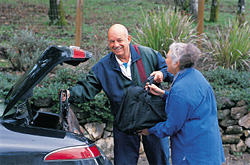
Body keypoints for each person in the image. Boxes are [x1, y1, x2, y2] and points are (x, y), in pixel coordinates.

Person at [61, 24, 173, 165]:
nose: (116, 45)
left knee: (160, 161)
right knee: (123, 163)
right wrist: (70, 94)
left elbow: (169, 70)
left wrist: (162, 73)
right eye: (112, 41)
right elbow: (87, 87)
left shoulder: (148, 54)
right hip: (124, 121)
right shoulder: (103, 66)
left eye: (120, 40)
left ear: (129, 39)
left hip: (153, 120)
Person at [138, 42, 225, 164]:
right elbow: (191, 103)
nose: (165, 60)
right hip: (209, 150)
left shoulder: (180, 90)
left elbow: (170, 127)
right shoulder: (197, 76)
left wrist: (149, 130)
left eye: (167, 57)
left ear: (176, 63)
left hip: (191, 155)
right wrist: (163, 94)